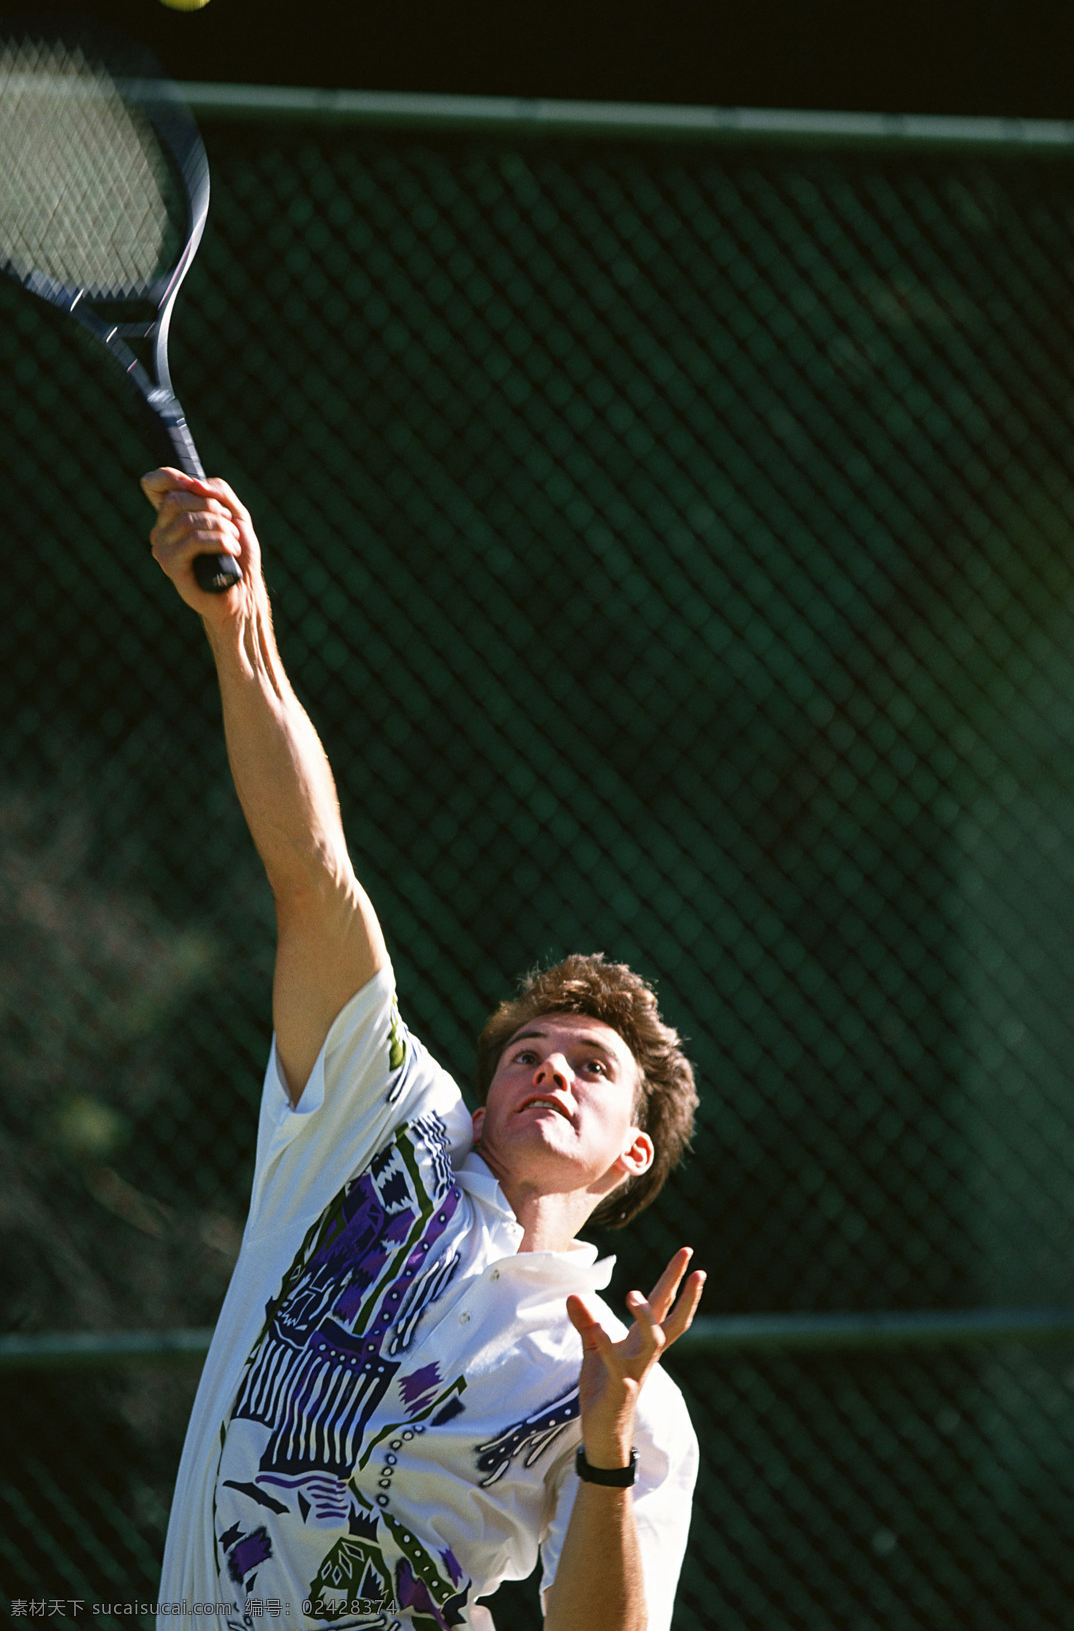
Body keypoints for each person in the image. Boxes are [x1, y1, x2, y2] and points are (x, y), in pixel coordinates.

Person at [145, 468, 705, 1631]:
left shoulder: (623, 1391)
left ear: (633, 1154)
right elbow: (315, 876)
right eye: (528, 1053)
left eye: (590, 1068)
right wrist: (240, 629)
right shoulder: (376, 1128)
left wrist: (602, 1448)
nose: (549, 1067)